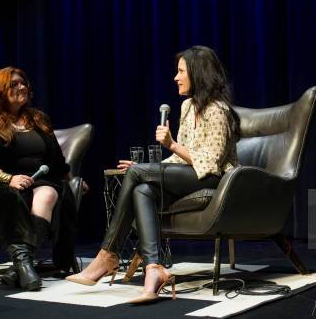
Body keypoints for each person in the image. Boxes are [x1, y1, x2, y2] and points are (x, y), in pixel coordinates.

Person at [67, 45, 240, 303]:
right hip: (190, 175)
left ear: (198, 73)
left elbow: (211, 163)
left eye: (181, 71)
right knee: (142, 188)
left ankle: (107, 255)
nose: (176, 77)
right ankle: (154, 269)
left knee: (140, 177)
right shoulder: (188, 107)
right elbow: (179, 157)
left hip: (216, 180)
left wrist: (170, 146)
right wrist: (147, 168)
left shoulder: (218, 111)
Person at [0, 67, 85, 291]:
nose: (22, 87)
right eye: (14, 84)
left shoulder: (38, 119)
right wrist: (9, 178)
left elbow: (56, 158)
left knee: (48, 194)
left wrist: (73, 179)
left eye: (24, 83)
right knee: (11, 196)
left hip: (39, 179)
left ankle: (20, 266)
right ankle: (24, 266)